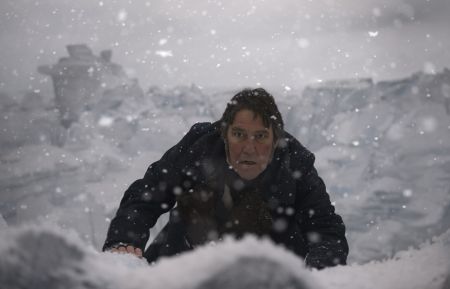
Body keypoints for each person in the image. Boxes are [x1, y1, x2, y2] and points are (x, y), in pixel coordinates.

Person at [103, 88, 349, 269]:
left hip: (271, 270)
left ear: (276, 140)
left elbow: (325, 229)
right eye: (239, 134)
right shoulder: (199, 147)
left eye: (261, 136)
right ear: (224, 134)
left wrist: (318, 271)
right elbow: (147, 195)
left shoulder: (295, 161)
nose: (249, 148)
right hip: (183, 263)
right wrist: (124, 242)